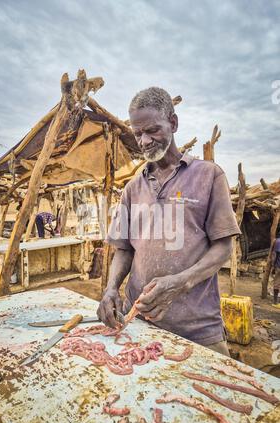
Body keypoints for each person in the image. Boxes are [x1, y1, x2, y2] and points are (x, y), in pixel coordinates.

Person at [97, 87, 241, 357]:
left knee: (208, 397)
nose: (144, 141)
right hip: (137, 324)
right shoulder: (132, 188)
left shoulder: (209, 176)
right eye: (138, 133)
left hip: (198, 331)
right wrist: (110, 288)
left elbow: (223, 247)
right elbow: (124, 249)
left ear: (173, 123)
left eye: (152, 130)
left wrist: (181, 282)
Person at [272, 233, 280, 308]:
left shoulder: (277, 241)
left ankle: (275, 301)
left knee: (277, 283)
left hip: (278, 266)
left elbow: (275, 255)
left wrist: (273, 267)